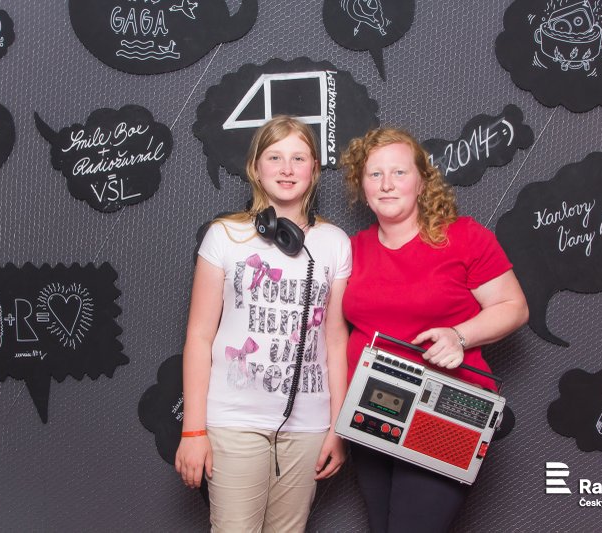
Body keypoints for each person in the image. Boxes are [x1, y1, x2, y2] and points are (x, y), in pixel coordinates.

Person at [340, 127, 529, 533]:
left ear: (422, 182)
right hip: (371, 410)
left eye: (399, 172)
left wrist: (459, 335)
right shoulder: (352, 249)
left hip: (444, 410)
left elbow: (513, 307)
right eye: (375, 174)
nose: (387, 184)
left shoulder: (464, 237)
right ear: (361, 185)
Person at [174, 116, 351, 532]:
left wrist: (337, 428)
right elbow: (199, 336)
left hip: (308, 426)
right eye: (275, 157)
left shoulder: (335, 243)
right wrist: (193, 430)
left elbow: (335, 342)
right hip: (234, 421)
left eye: (299, 158)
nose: (287, 169)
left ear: (314, 169)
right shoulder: (224, 236)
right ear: (256, 167)